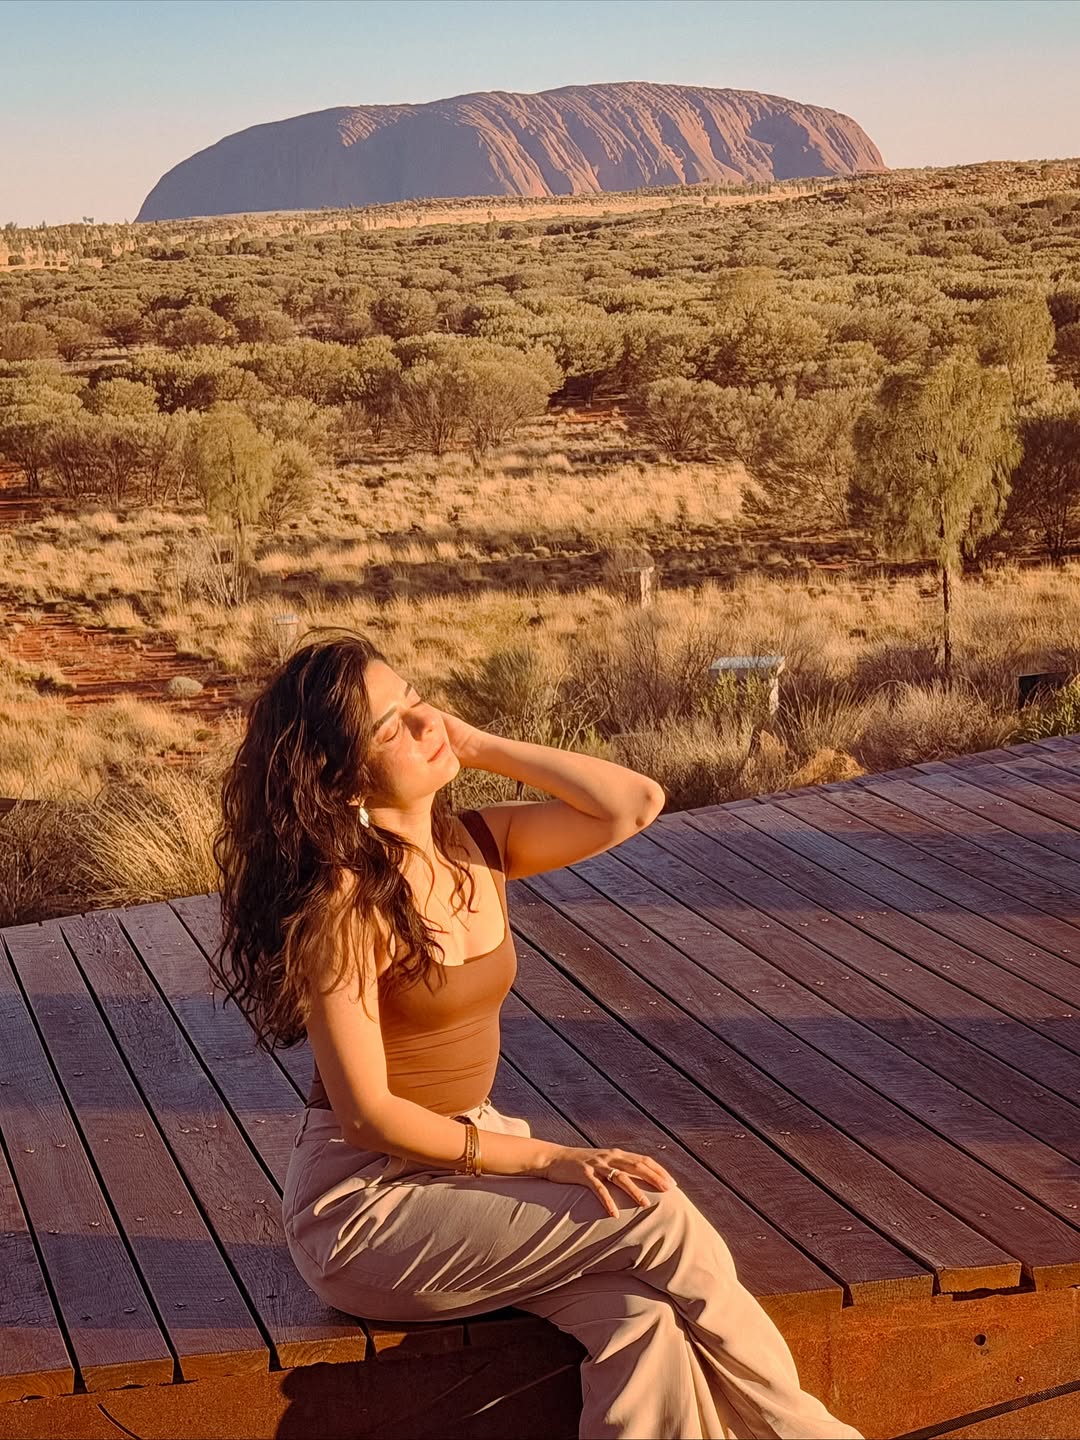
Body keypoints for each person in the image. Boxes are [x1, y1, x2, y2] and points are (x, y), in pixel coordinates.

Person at [210, 627, 864, 1440]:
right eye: (391, 727)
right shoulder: (345, 904)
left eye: (419, 701)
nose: (426, 723)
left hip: (466, 1167)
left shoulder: (477, 845)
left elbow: (635, 802)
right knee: (653, 1213)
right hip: (370, 1207)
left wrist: (477, 744)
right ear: (341, 778)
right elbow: (368, 1116)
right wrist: (552, 1159)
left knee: (644, 1322)